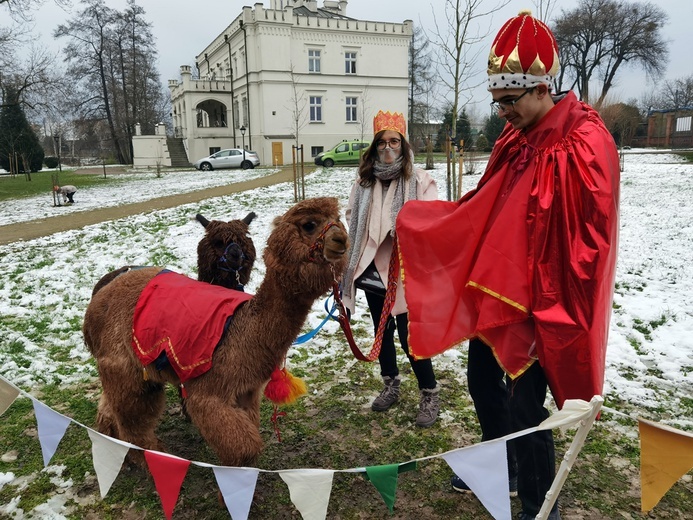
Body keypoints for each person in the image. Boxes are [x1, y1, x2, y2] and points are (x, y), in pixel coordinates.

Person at [394, 10, 620, 520]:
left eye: (509, 101)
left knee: (525, 405)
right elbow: (488, 204)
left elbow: (585, 231)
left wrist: (544, 299)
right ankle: (504, 467)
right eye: (496, 103)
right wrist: (437, 226)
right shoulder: (516, 137)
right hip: (496, 288)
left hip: (547, 299)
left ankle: (542, 502)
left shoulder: (583, 140)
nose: (502, 113)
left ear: (542, 87)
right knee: (480, 381)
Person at [343, 110, 441, 428]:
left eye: (394, 141)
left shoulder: (420, 182)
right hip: (371, 269)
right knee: (381, 332)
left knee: (409, 335)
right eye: (382, 142)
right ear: (373, 147)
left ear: (403, 145)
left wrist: (404, 229)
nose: (388, 147)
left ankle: (429, 392)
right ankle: (391, 384)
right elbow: (351, 215)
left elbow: (430, 221)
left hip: (404, 272)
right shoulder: (363, 182)